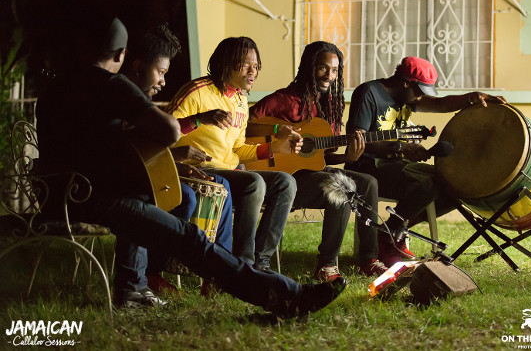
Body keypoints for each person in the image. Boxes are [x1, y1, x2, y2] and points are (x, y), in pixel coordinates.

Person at [35, 16, 345, 313]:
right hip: (100, 200)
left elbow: (100, 146)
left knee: (166, 200)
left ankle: (133, 286)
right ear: (121, 55)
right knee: (192, 238)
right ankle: (286, 296)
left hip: (59, 196)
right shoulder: (111, 85)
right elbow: (169, 130)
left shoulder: (56, 87)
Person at [345, 56, 507, 266]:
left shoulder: (409, 97)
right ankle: (389, 236)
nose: (421, 98)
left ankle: (391, 232)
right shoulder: (369, 93)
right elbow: (358, 140)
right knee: (427, 183)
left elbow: (441, 103)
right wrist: (401, 147)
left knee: (452, 185)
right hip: (367, 167)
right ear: (405, 82)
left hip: (395, 165)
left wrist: (472, 97)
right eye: (419, 91)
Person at [248, 41, 388, 281]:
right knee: (341, 187)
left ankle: (369, 259)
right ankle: (326, 266)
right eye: (323, 68)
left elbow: (318, 157)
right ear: (309, 67)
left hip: (309, 175)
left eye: (334, 70)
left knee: (368, 183)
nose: (330, 76)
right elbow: (247, 128)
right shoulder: (283, 100)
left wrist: (348, 157)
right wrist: (279, 134)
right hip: (280, 178)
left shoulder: (325, 108)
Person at [164, 37, 302, 272]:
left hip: (229, 171)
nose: (253, 71)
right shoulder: (197, 92)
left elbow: (238, 150)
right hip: (199, 169)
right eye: (246, 65)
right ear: (227, 64)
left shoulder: (239, 100)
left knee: (285, 182)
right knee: (253, 182)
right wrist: (199, 120)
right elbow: (165, 128)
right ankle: (242, 264)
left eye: (256, 66)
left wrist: (274, 149)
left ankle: (261, 261)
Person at [122, 23, 234, 296]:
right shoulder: (123, 97)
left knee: (219, 187)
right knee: (183, 197)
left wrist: (178, 163)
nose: (163, 81)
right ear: (137, 66)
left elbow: (144, 148)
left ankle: (216, 273)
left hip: (145, 172)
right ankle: (154, 272)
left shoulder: (136, 98)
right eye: (160, 72)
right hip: (120, 184)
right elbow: (129, 152)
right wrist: (177, 155)